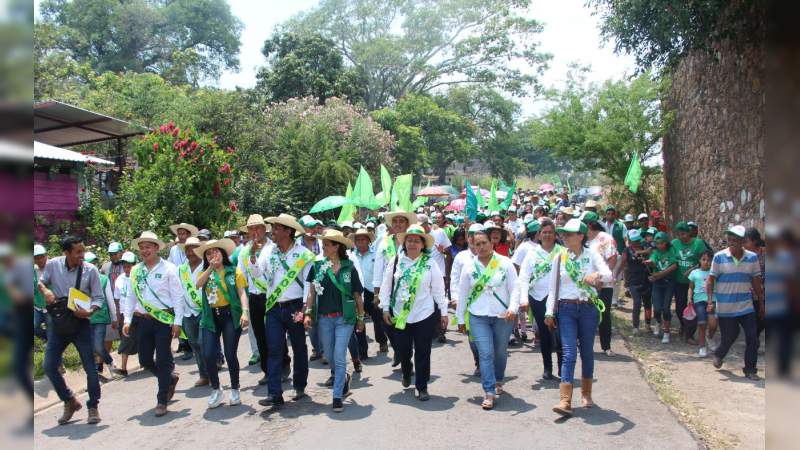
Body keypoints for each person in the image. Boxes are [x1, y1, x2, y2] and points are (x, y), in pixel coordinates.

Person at [544, 219, 612, 417]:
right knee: (568, 351)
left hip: (588, 308)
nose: (564, 237)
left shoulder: (592, 255)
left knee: (587, 351)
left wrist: (596, 276)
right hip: (566, 308)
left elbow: (608, 275)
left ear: (581, 236)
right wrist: (550, 311)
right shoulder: (560, 257)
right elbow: (553, 286)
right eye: (563, 234)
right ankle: (565, 400)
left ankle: (586, 393)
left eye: (569, 234)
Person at [38, 235, 105, 425]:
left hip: (80, 323)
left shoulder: (90, 270)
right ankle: (69, 401)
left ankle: (93, 406)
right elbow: (41, 282)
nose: (82, 255)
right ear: (66, 253)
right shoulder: (52, 265)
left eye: (83, 250)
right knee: (49, 366)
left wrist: (90, 311)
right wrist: (46, 291)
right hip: (57, 322)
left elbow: (99, 298)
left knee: (90, 368)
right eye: (78, 252)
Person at [380, 224, 448, 401]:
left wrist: (444, 312)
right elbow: (386, 286)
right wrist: (385, 308)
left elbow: (439, 289)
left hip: (424, 314)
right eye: (409, 240)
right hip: (400, 314)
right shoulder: (395, 261)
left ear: (423, 244)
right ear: (404, 243)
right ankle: (406, 368)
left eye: (416, 241)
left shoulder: (430, 263)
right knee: (402, 349)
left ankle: (422, 386)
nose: (412, 244)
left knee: (423, 351)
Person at [255, 214, 315, 407]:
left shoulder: (303, 254)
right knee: (274, 349)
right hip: (273, 307)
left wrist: (306, 310)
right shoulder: (268, 251)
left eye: (278, 228)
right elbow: (259, 275)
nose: (274, 231)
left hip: (295, 306)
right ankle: (275, 394)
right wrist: (253, 259)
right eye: (274, 228)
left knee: (298, 347)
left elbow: (309, 284)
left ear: (289, 231)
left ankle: (299, 385)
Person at [122, 231, 184, 417]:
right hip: (142, 321)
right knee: (145, 360)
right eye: (141, 248)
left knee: (164, 359)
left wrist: (177, 322)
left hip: (163, 320)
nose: (144, 250)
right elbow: (130, 296)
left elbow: (178, 296)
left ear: (157, 248)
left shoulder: (169, 269)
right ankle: (169, 379)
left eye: (148, 247)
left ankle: (162, 399)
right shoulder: (136, 271)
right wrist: (127, 319)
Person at [304, 230, 366, 412]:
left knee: (339, 355)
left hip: (345, 318)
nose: (323, 247)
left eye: (327, 244)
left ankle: (337, 396)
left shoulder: (349, 267)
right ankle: (344, 377)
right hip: (324, 319)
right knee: (329, 356)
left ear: (337, 246)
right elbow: (311, 292)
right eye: (323, 244)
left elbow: (357, 295)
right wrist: (308, 313)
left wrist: (360, 318)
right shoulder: (317, 266)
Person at [456, 229, 518, 410]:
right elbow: (463, 293)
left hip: (502, 316)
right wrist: (460, 318)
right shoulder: (469, 266)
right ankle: (489, 391)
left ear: (492, 243)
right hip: (478, 316)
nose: (481, 247)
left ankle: (498, 378)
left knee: (500, 351)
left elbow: (515, 288)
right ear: (473, 246)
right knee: (485, 353)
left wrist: (513, 308)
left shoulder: (505, 263)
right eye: (477, 244)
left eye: (484, 243)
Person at [195, 239, 250, 408]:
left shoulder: (234, 271)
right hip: (210, 316)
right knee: (208, 354)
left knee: (230, 353)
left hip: (229, 315)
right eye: (209, 254)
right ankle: (216, 389)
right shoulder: (205, 273)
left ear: (223, 253)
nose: (213, 255)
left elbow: (242, 293)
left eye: (216, 252)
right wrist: (211, 268)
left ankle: (235, 388)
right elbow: (198, 284)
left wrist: (245, 312)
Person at [707, 226, 764, 380]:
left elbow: (756, 281)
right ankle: (719, 354)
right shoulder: (719, 257)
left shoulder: (752, 258)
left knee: (752, 337)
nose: (731, 243)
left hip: (746, 305)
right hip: (726, 307)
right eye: (729, 240)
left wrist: (762, 302)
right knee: (730, 336)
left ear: (743, 242)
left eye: (735, 240)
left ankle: (750, 369)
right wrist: (710, 301)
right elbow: (710, 280)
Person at [518, 218, 564, 380]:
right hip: (537, 298)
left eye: (550, 232)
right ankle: (547, 367)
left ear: (555, 234)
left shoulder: (562, 252)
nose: (547, 235)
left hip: (559, 298)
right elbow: (524, 277)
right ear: (539, 235)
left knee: (559, 334)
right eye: (544, 232)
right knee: (544, 333)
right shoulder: (532, 253)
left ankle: (562, 367)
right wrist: (523, 299)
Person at [373, 211, 418, 367]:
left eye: (401, 221)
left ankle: (405, 354)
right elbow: (378, 268)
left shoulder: (413, 241)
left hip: (409, 292)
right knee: (388, 325)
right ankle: (399, 351)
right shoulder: (383, 242)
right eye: (395, 221)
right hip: (388, 291)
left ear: (407, 224)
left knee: (407, 326)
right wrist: (376, 291)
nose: (398, 224)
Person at [237, 214, 273, 383]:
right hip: (254, 298)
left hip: (273, 297)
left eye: (258, 227)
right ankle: (267, 370)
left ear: (264, 229)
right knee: (260, 336)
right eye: (251, 228)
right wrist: (244, 308)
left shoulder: (274, 248)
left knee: (275, 335)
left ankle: (282, 365)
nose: (254, 232)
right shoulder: (244, 251)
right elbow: (241, 280)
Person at [451, 224, 484, 375]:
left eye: (477, 235)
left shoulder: (491, 255)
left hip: (487, 303)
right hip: (468, 303)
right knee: (472, 338)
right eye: (470, 235)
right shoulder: (461, 256)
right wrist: (455, 298)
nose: (473, 238)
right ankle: (478, 361)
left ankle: (488, 363)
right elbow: (455, 278)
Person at [583, 212, 618, 355]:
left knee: (603, 315)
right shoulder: (584, 241)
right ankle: (584, 344)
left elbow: (612, 259)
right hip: (586, 285)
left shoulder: (605, 239)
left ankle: (606, 346)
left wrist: (601, 279)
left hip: (604, 285)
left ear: (590, 225)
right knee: (586, 315)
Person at [349, 228, 387, 355]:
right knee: (359, 318)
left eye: (363, 239)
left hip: (372, 290)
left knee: (378, 318)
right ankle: (362, 350)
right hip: (357, 291)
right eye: (358, 240)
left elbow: (381, 272)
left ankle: (382, 341)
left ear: (369, 241)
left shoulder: (376, 254)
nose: (360, 242)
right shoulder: (351, 256)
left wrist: (379, 291)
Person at [176, 237, 208, 387]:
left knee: (203, 342)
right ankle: (204, 375)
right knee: (194, 343)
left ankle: (211, 370)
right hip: (187, 312)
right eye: (187, 249)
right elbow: (178, 291)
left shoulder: (206, 266)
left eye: (194, 248)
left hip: (204, 310)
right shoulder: (181, 269)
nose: (191, 252)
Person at [83, 252, 119, 379]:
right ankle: (95, 375)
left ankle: (111, 366)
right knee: (90, 348)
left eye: (93, 262)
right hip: (85, 319)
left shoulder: (103, 279)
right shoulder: (80, 280)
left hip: (100, 318)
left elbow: (110, 299)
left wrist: (114, 317)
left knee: (98, 346)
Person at [671, 221, 707, 343]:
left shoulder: (698, 244)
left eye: (684, 234)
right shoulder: (674, 244)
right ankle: (684, 325)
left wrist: (692, 270)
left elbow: (705, 259)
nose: (682, 237)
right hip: (679, 281)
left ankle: (690, 334)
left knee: (694, 307)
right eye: (679, 234)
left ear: (689, 233)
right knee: (680, 307)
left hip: (695, 281)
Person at [418, 214, 451, 343]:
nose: (420, 228)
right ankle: (432, 330)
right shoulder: (417, 238)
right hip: (424, 275)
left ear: (427, 224)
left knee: (440, 301)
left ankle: (441, 331)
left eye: (422, 226)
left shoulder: (439, 233)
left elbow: (449, 252)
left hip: (440, 273)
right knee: (429, 302)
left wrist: (447, 274)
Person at [617, 230, 653, 334]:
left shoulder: (645, 248)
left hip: (646, 279)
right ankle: (635, 327)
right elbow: (622, 264)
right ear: (630, 241)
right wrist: (616, 275)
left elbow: (651, 251)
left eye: (638, 240)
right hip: (633, 280)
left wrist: (641, 253)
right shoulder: (627, 251)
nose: (637, 242)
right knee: (637, 303)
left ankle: (648, 324)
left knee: (647, 303)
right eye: (634, 241)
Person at [646, 232, 678, 343]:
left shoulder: (671, 251)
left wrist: (660, 274)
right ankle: (658, 322)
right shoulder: (655, 252)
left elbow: (674, 266)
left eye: (661, 243)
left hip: (669, 283)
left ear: (666, 243)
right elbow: (653, 261)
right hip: (657, 284)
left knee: (666, 308)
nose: (659, 245)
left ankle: (666, 332)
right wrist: (649, 262)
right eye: (657, 243)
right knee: (657, 308)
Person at [113, 251, 137, 376]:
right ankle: (123, 368)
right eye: (125, 266)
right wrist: (117, 317)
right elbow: (117, 300)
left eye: (130, 266)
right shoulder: (119, 280)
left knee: (142, 339)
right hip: (124, 314)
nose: (127, 268)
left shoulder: (139, 277)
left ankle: (146, 362)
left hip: (138, 313)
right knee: (125, 338)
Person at [688, 251, 714, 357]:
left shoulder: (714, 273)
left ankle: (710, 337)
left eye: (708, 260)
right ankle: (702, 346)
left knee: (713, 324)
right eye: (703, 259)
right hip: (699, 301)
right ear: (699, 260)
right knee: (702, 323)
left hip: (712, 300)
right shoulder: (694, 273)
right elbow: (691, 287)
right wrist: (689, 298)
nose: (706, 262)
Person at [601, 205, 627, 308]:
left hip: (618, 254)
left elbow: (626, 239)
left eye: (612, 213)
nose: (610, 215)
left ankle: (614, 300)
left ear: (615, 215)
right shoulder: (602, 226)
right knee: (605, 276)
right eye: (608, 213)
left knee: (616, 277)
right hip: (604, 256)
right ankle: (605, 298)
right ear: (605, 215)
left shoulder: (621, 226)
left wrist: (627, 250)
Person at [33, 244, 49, 341]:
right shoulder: (32, 270)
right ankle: (47, 338)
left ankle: (52, 340)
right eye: (36, 257)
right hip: (37, 306)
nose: (39, 260)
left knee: (51, 329)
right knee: (34, 327)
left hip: (50, 307)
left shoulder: (52, 268)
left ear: (46, 255)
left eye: (41, 257)